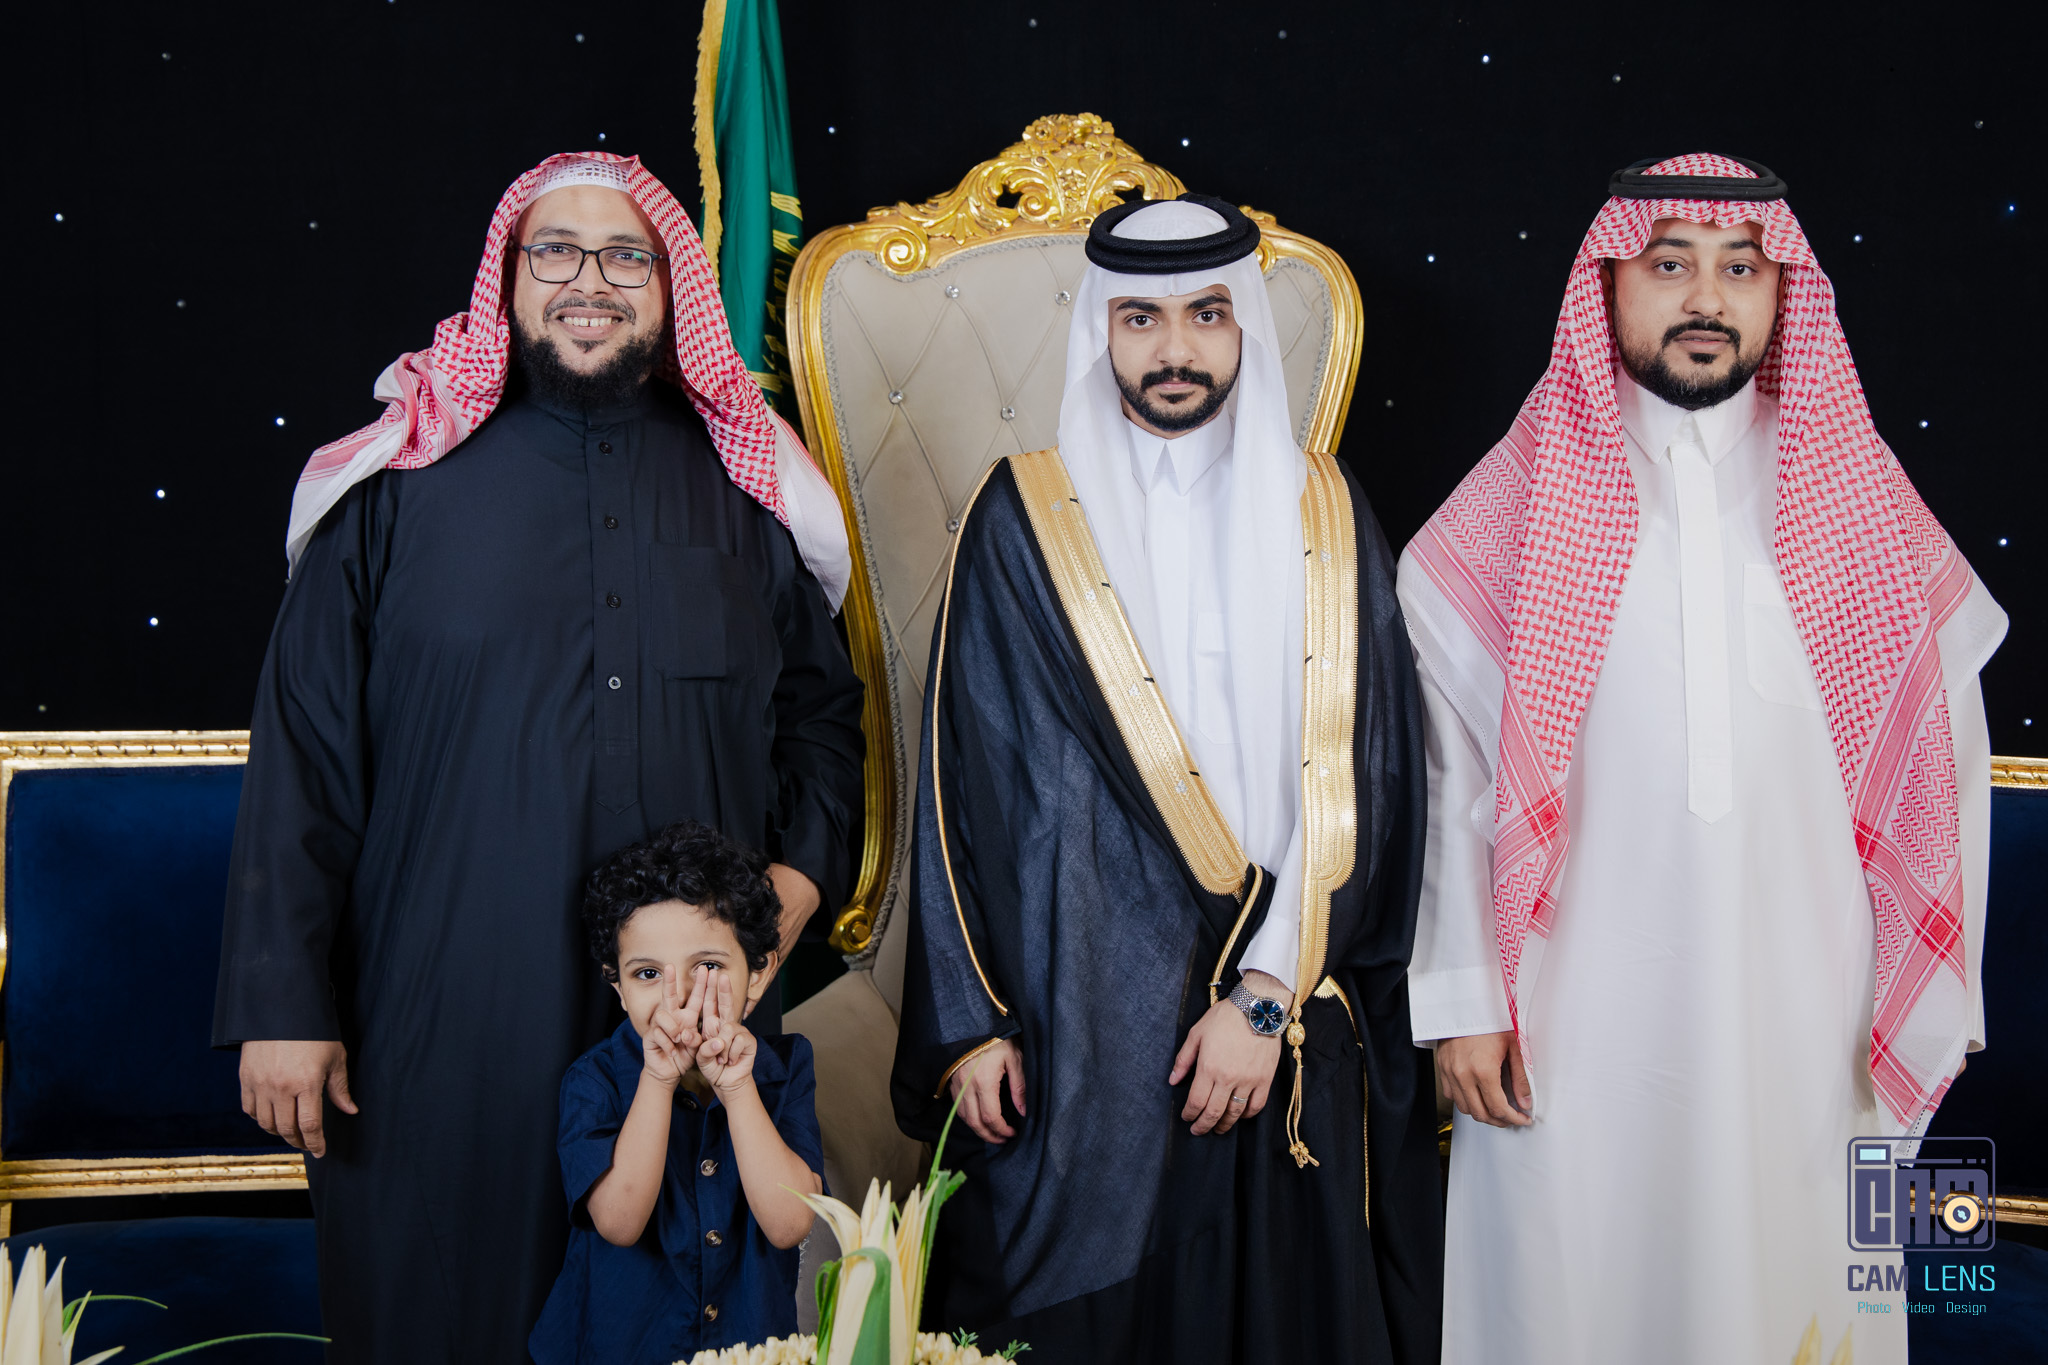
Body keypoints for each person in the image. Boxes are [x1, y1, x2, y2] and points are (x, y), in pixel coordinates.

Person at [212, 152, 865, 1363]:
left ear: (669, 285)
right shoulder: (394, 489)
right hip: (438, 1008)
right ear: (506, 280)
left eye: (624, 256)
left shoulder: (748, 488)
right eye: (554, 252)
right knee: (442, 1307)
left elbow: (824, 723)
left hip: (688, 1019)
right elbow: (302, 751)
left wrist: (791, 891)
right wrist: (282, 1003)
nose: (588, 282)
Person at [1401, 154, 2007, 1365]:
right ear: (1605, 284)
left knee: (1810, 1275)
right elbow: (1444, 774)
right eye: (1668, 263)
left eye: (1740, 269)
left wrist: (1936, 988)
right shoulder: (1517, 504)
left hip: (1815, 1003)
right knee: (1569, 1285)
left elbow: (1945, 770)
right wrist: (1462, 1000)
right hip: (1568, 1011)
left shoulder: (1856, 493)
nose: (1704, 298)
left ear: (1782, 296)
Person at [890, 194, 1442, 1364]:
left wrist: (1261, 1000)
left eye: (1206, 315)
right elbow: (951, 786)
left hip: (1277, 995)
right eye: (1140, 318)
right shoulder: (1020, 516)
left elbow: (1372, 780)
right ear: (1101, 327)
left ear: (1244, 328)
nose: (1174, 348)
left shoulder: (1325, 512)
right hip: (1069, 1016)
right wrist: (969, 1025)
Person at [530, 820, 824, 1364]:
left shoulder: (785, 1069)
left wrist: (738, 1089)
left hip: (746, 1348)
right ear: (618, 987)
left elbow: (789, 1226)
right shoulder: (593, 1080)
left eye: (707, 966)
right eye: (647, 974)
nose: (679, 995)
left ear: (759, 975)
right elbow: (619, 1223)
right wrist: (658, 1080)